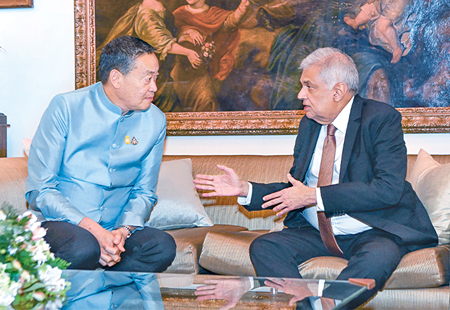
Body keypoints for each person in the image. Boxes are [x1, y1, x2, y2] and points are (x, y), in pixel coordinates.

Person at [194, 47, 438, 308]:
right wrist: (245, 189)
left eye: (309, 87)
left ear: (338, 91)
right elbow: (296, 189)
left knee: (376, 260)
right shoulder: (309, 124)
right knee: (265, 247)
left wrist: (314, 196)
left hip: (373, 231)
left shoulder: (380, 120)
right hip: (317, 232)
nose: (301, 95)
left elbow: (388, 189)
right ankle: (308, 307)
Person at [26, 35, 176, 273]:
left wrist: (122, 232)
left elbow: (144, 192)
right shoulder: (66, 107)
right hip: (63, 224)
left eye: (156, 78)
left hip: (115, 228)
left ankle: (113, 294)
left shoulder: (156, 120)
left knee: (160, 245)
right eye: (147, 79)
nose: (154, 88)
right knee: (83, 247)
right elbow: (40, 190)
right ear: (116, 78)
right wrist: (95, 231)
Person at [96, 0, 202, 112]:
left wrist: (185, 36)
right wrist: (187, 52)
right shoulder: (146, 14)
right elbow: (160, 40)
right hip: (141, 73)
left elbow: (168, 35)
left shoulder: (160, 8)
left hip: (157, 71)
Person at [170, 0, 251, 111]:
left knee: (206, 101)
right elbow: (170, 36)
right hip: (181, 72)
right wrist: (188, 32)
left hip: (202, 73)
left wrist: (242, 9)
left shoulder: (214, 13)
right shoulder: (178, 14)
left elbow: (229, 22)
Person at [344, 0, 412, 63]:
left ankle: (397, 48)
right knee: (372, 6)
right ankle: (356, 22)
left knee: (383, 25)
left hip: (398, 2)